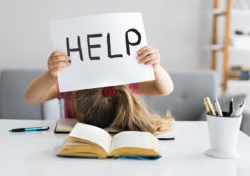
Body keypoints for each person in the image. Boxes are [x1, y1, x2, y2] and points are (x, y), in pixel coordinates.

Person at [25, 46, 174, 135]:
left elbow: (164, 89)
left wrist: (155, 67)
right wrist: (51, 75)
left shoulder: (122, 81)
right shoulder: (73, 84)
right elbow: (32, 97)